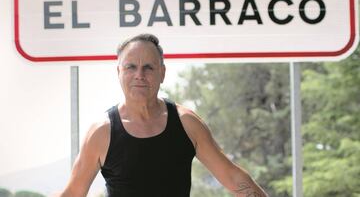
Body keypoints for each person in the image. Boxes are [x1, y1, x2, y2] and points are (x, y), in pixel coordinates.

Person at [58, 34, 268, 197]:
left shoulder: (187, 123)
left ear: (162, 73)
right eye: (131, 67)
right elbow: (73, 192)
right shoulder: (101, 132)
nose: (139, 75)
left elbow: (232, 177)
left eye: (148, 67)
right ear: (119, 72)